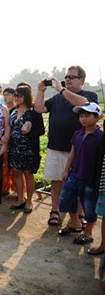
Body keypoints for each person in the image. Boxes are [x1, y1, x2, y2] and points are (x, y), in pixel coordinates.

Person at [34, 65, 98, 226]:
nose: (67, 79)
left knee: (80, 183)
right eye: (66, 77)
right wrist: (41, 91)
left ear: (82, 80)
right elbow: (39, 108)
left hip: (79, 150)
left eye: (71, 77)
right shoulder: (57, 98)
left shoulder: (88, 94)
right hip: (56, 146)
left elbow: (85, 104)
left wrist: (61, 90)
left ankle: (79, 214)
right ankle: (55, 210)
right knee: (56, 181)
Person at [58, 102, 103, 246]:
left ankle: (88, 233)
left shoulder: (101, 137)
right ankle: (75, 224)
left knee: (89, 206)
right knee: (66, 199)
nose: (83, 119)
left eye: (87, 115)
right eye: (81, 116)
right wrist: (66, 170)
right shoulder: (77, 133)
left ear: (97, 117)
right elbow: (73, 152)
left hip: (90, 178)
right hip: (74, 174)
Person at [8, 86, 44, 213]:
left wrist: (30, 127)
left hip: (29, 148)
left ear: (26, 96)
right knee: (16, 172)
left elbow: (41, 130)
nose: (16, 97)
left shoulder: (34, 111)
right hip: (14, 148)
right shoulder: (13, 110)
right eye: (15, 95)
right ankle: (20, 198)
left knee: (28, 174)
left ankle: (29, 201)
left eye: (19, 95)